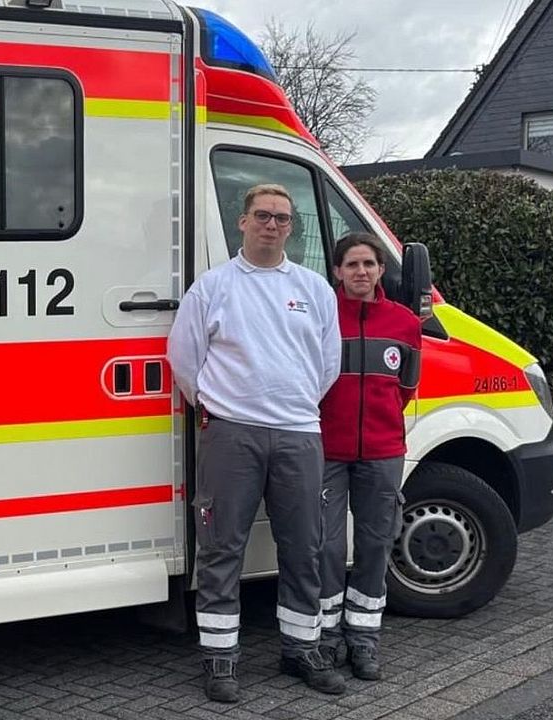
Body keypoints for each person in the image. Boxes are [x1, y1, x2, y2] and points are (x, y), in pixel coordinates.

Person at [167, 184, 344, 702]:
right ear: (242, 222)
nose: (272, 224)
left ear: (291, 227)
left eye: (282, 218)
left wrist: (293, 405)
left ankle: (301, 649)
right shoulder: (213, 287)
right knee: (222, 546)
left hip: (299, 433)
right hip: (231, 433)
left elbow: (328, 364)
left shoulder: (314, 289)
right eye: (262, 215)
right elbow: (184, 357)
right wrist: (217, 405)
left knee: (304, 547)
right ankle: (220, 659)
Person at [318, 232, 422, 681]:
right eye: (352, 264)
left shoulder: (404, 322)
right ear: (337, 271)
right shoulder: (321, 317)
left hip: (382, 452)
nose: (361, 272)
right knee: (324, 546)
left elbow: (406, 387)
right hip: (326, 450)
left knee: (375, 545)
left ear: (381, 270)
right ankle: (325, 637)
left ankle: (363, 639)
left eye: (369, 264)